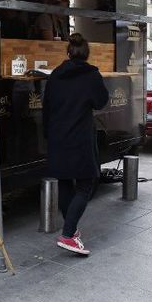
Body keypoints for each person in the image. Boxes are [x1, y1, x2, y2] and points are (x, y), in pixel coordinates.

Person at [42, 33, 109, 255]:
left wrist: (47, 136)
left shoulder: (55, 76)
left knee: (64, 181)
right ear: (86, 54)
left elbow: (47, 108)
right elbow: (101, 102)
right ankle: (68, 234)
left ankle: (70, 229)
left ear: (68, 52)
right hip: (80, 139)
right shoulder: (92, 75)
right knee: (85, 184)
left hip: (58, 137)